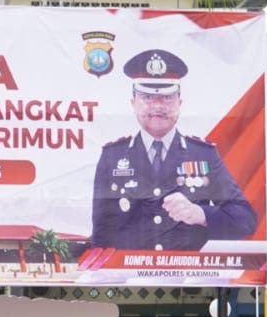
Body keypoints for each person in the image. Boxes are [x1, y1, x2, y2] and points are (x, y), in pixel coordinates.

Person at [89, 49, 257, 251]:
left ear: (180, 103)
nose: (158, 106)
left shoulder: (203, 154)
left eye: (167, 97)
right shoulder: (113, 156)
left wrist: (201, 214)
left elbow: (245, 220)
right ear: (133, 103)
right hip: (130, 277)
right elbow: (101, 234)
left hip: (188, 278)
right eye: (147, 97)